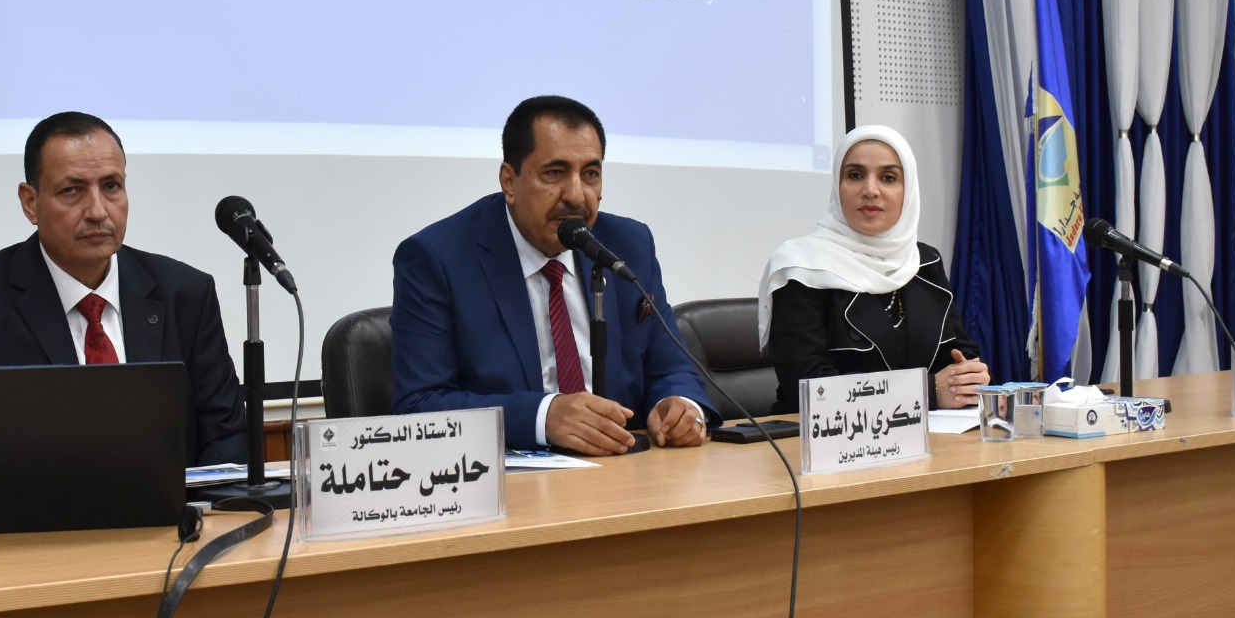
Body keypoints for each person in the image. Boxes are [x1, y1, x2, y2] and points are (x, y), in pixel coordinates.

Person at [390, 95, 715, 456]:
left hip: (626, 469)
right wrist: (543, 417)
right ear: (509, 181)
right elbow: (418, 406)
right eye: (555, 173)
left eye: (590, 174)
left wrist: (679, 404)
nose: (576, 196)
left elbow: (672, 368)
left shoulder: (628, 245)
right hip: (514, 478)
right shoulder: (437, 258)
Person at [0, 111, 246, 465]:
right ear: (30, 202)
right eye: (72, 190)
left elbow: (227, 436)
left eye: (111, 186)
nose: (98, 211)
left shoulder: (186, 294)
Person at [757, 124, 989, 413]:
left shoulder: (923, 262)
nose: (870, 190)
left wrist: (968, 379)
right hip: (816, 437)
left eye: (888, 178)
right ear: (837, 185)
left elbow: (960, 356)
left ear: (908, 190)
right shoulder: (801, 268)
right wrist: (928, 392)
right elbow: (810, 389)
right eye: (855, 175)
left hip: (930, 435)